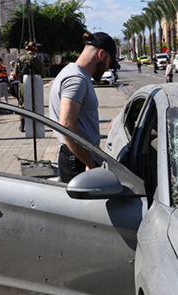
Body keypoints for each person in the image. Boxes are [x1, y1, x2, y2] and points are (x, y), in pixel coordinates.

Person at [49, 31, 118, 182]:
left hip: (76, 158)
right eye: (110, 63)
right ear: (101, 54)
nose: (108, 68)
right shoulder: (76, 79)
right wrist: (90, 163)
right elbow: (66, 126)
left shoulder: (74, 74)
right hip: (77, 162)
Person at [15, 41, 46, 131]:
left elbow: (16, 73)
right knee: (36, 103)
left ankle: (22, 124)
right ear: (34, 50)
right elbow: (43, 74)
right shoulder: (37, 60)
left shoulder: (20, 59)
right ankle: (35, 124)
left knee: (23, 104)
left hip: (22, 84)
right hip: (35, 84)